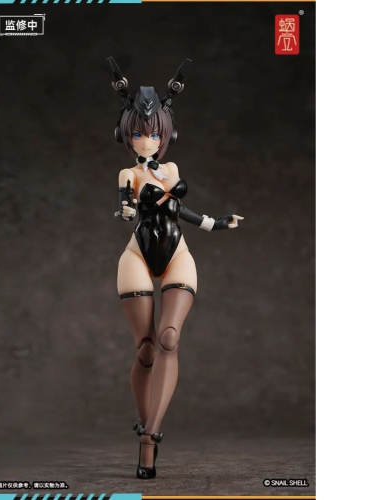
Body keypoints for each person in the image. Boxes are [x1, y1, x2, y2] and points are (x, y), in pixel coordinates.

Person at [108, 57, 243, 479]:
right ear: (126, 135)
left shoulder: (171, 170)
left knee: (169, 338)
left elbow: (178, 209)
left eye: (153, 133)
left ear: (166, 134)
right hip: (138, 254)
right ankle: (143, 423)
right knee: (146, 349)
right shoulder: (128, 173)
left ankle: (150, 436)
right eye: (138, 133)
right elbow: (128, 207)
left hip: (177, 254)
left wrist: (215, 223)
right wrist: (128, 209)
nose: (146, 141)